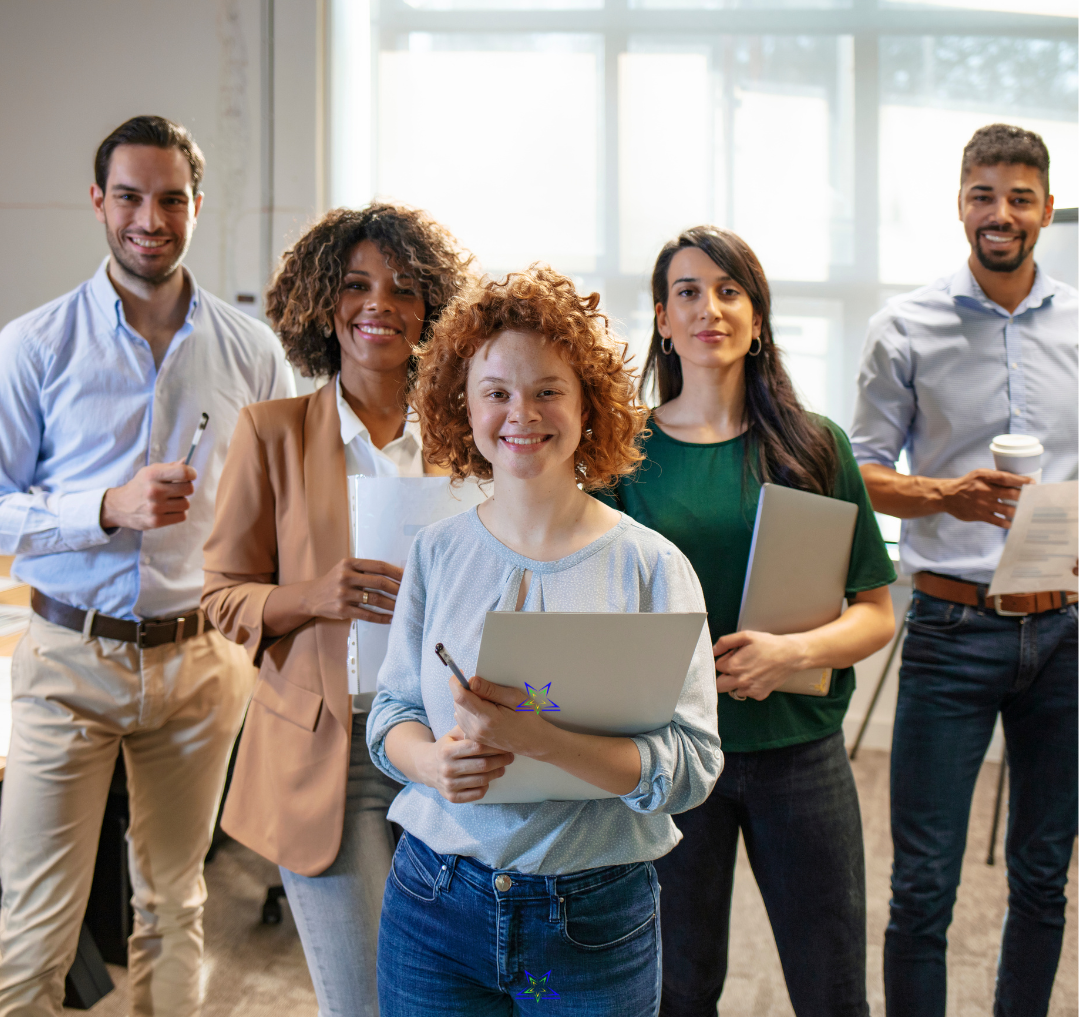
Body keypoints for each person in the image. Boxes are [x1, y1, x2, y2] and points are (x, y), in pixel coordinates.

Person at [365, 265, 723, 1016]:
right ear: (463, 407)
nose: (520, 413)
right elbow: (391, 712)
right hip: (433, 900)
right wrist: (431, 762)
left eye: (547, 390)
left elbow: (691, 768)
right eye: (496, 391)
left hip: (590, 919)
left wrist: (541, 740)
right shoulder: (435, 553)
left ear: (589, 403)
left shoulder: (652, 567)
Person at [0, 115, 293, 1017]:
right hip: (68, 661)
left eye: (171, 198)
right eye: (129, 196)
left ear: (197, 205)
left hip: (200, 662)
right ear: (99, 202)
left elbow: (285, 509)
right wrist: (104, 507)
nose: (149, 217)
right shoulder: (35, 345)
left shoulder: (251, 351)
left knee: (176, 907)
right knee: (33, 930)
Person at [601, 226, 896, 1017]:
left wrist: (793, 649)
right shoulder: (620, 455)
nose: (710, 308)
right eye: (688, 292)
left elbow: (875, 612)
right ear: (662, 318)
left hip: (800, 752)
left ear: (758, 318)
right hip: (672, 757)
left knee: (831, 984)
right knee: (679, 988)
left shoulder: (813, 445)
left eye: (730, 291)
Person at [200, 203, 472, 1017]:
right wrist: (311, 596)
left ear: (432, 308)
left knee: (431, 992)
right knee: (363, 999)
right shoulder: (272, 433)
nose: (378, 304)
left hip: (445, 740)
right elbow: (221, 594)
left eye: (402, 288)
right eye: (356, 285)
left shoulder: (470, 436)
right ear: (324, 303)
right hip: (332, 751)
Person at [850, 124, 1077, 1017]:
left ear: (1046, 210)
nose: (1001, 213)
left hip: (1063, 628)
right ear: (960, 203)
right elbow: (861, 474)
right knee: (924, 887)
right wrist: (948, 492)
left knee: (1046, 875)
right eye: (984, 194)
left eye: (1020, 196)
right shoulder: (905, 326)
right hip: (951, 629)